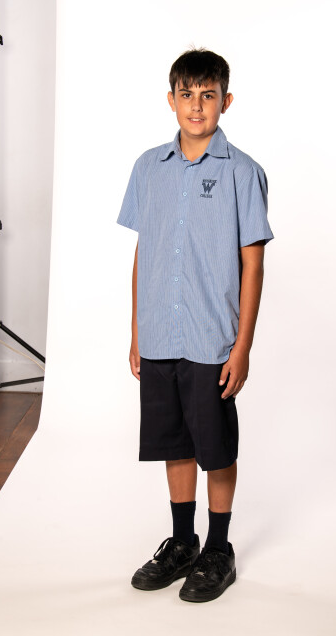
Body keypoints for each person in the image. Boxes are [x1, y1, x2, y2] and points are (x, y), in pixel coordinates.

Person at [117, 47, 274, 603]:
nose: (197, 105)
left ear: (226, 102)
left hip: (212, 339)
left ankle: (218, 548)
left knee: (216, 446)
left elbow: (253, 265)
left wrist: (242, 347)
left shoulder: (242, 172)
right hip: (160, 333)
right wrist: (137, 331)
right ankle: (183, 542)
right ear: (171, 100)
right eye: (187, 94)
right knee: (175, 442)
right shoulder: (148, 168)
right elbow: (145, 251)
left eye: (208, 95)